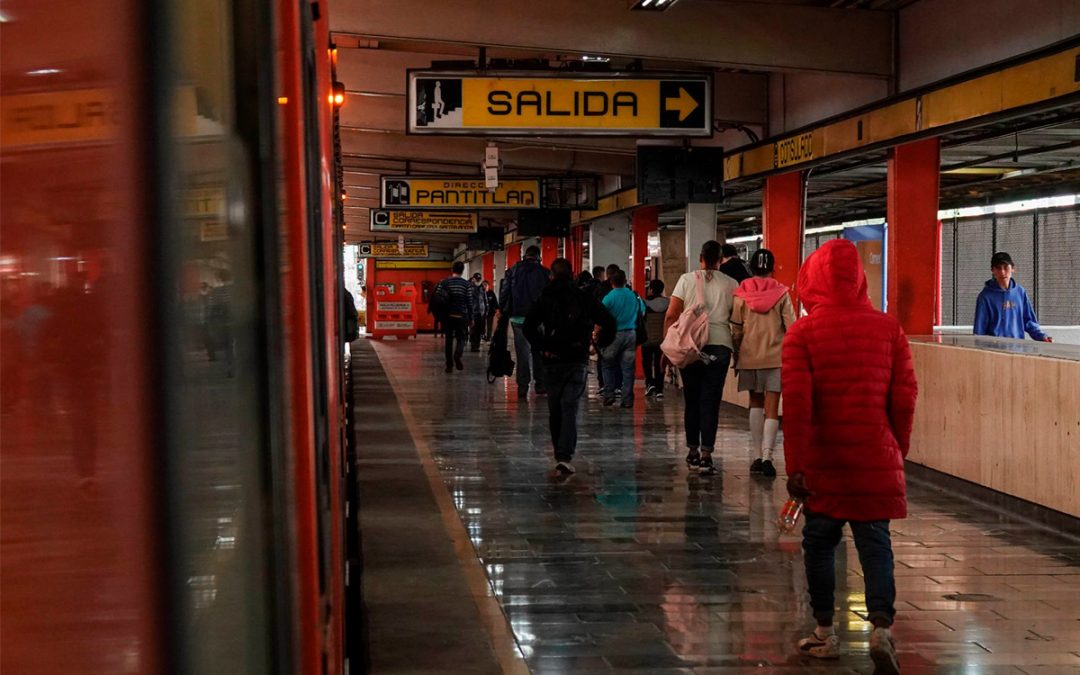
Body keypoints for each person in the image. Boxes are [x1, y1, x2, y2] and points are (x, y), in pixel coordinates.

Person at [781, 239, 917, 674]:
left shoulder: (801, 333)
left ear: (811, 281)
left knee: (820, 544)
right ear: (858, 279)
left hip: (824, 461)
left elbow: (798, 406)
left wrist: (796, 466)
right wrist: (896, 447)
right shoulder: (889, 329)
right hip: (875, 455)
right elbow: (906, 398)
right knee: (875, 544)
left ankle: (825, 634)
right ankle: (881, 628)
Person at [524, 258, 616, 478]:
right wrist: (598, 346)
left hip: (553, 360)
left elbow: (528, 327)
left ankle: (560, 454)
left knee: (555, 409)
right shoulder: (583, 298)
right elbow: (609, 322)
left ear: (551, 276)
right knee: (570, 408)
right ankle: (565, 456)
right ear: (573, 274)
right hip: (577, 359)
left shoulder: (544, 298)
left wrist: (543, 347)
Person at [664, 241, 738, 476]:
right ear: (720, 260)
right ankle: (707, 454)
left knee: (692, 398)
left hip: (691, 346)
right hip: (720, 346)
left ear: (700, 258)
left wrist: (667, 349)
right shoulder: (731, 284)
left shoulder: (686, 280)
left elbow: (671, 314)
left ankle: (692, 451)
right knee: (711, 401)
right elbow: (736, 319)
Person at [731, 248, 796, 478]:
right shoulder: (782, 293)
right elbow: (792, 327)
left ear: (751, 266)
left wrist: (737, 353)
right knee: (772, 407)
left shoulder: (741, 293)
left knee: (755, 403)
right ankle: (769, 456)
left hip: (749, 355)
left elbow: (736, 329)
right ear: (772, 267)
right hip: (775, 357)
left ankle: (757, 456)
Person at [501, 245, 550, 397]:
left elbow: (504, 292)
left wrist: (503, 310)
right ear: (538, 256)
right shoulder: (544, 272)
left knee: (522, 354)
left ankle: (523, 387)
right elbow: (549, 296)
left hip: (518, 319)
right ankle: (540, 385)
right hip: (538, 319)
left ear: (524, 255)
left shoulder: (513, 271)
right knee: (538, 352)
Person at [973, 251, 1052, 342]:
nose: (1002, 272)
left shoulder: (1020, 293)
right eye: (998, 268)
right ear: (993, 271)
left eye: (1006, 267)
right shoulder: (985, 297)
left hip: (1018, 347)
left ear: (1013, 269)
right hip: (994, 349)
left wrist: (1042, 336)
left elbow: (1029, 321)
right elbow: (979, 329)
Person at [600, 269, 645, 408]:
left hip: (613, 335)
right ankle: (627, 399)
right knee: (628, 368)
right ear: (625, 281)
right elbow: (642, 313)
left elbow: (601, 315)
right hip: (631, 334)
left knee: (607, 364)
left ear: (611, 282)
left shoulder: (609, 297)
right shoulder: (634, 296)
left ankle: (609, 395)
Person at [434, 261, 473, 373]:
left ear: (452, 270)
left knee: (449, 340)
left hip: (448, 316)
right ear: (462, 271)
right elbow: (470, 302)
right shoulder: (466, 284)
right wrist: (471, 318)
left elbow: (437, 299)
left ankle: (449, 365)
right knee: (461, 338)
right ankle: (457, 355)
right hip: (462, 315)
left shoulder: (444, 283)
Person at [642, 279, 669, 399]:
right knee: (660, 363)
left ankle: (649, 383)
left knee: (647, 362)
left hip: (647, 339)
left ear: (651, 289)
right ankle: (659, 389)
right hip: (662, 339)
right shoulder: (669, 303)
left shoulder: (644, 303)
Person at [468, 272, 487, 352]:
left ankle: (477, 345)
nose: (478, 280)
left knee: (479, 330)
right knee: (473, 330)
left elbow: (485, 300)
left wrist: (486, 311)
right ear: (473, 279)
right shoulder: (470, 288)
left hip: (481, 313)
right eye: (477, 279)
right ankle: (473, 346)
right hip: (473, 313)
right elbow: (468, 301)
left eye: (479, 279)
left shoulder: (482, 289)